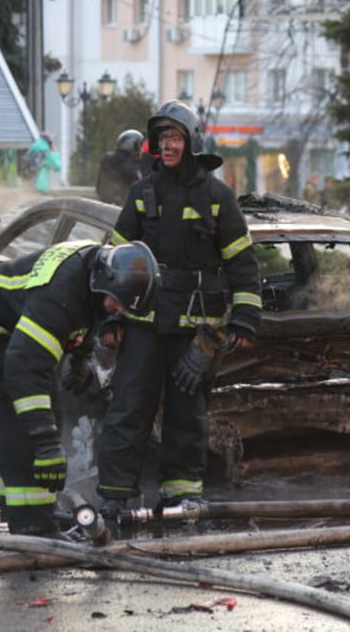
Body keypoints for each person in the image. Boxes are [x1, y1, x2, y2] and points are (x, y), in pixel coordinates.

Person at [96, 100, 262, 517]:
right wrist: (110, 317)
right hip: (143, 326)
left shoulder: (218, 197)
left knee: (188, 417)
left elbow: (242, 264)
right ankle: (116, 496)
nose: (167, 146)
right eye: (161, 139)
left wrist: (244, 319)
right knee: (128, 408)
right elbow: (113, 260)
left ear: (191, 143)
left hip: (194, 332)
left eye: (174, 138)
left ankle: (182, 497)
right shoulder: (141, 194)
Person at [0, 240, 160, 537]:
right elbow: (24, 366)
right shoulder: (60, 296)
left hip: (21, 330)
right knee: (20, 426)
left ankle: (36, 509)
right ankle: (29, 524)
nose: (117, 312)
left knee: (50, 414)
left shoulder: (96, 273)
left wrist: (80, 358)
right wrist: (45, 443)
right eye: (117, 303)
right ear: (105, 281)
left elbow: (90, 313)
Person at [96, 129, 144, 205]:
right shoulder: (129, 165)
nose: (142, 150)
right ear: (133, 146)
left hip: (106, 206)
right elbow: (140, 189)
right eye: (140, 147)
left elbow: (99, 189)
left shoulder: (108, 160)